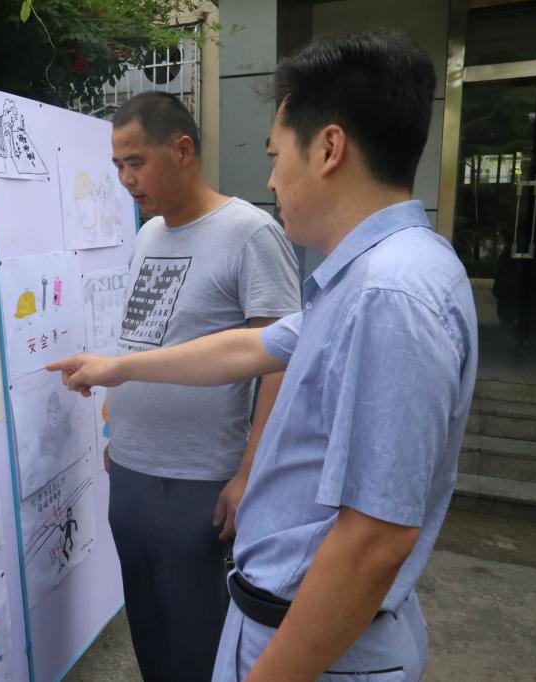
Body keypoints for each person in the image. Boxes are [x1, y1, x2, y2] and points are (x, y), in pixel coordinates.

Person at [48, 31, 477, 682]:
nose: (271, 178)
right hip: (281, 615)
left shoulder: (389, 295)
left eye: (277, 156)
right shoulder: (367, 277)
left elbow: (375, 540)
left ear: (328, 149)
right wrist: (118, 369)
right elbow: (249, 346)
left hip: (317, 645)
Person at [99, 91, 301, 680]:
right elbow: (141, 343)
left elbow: (280, 361)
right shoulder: (147, 236)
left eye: (136, 162)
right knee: (148, 631)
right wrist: (118, 436)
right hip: (130, 472)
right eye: (118, 165)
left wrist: (249, 472)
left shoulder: (249, 233)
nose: (126, 179)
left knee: (199, 641)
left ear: (183, 150)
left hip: (200, 481)